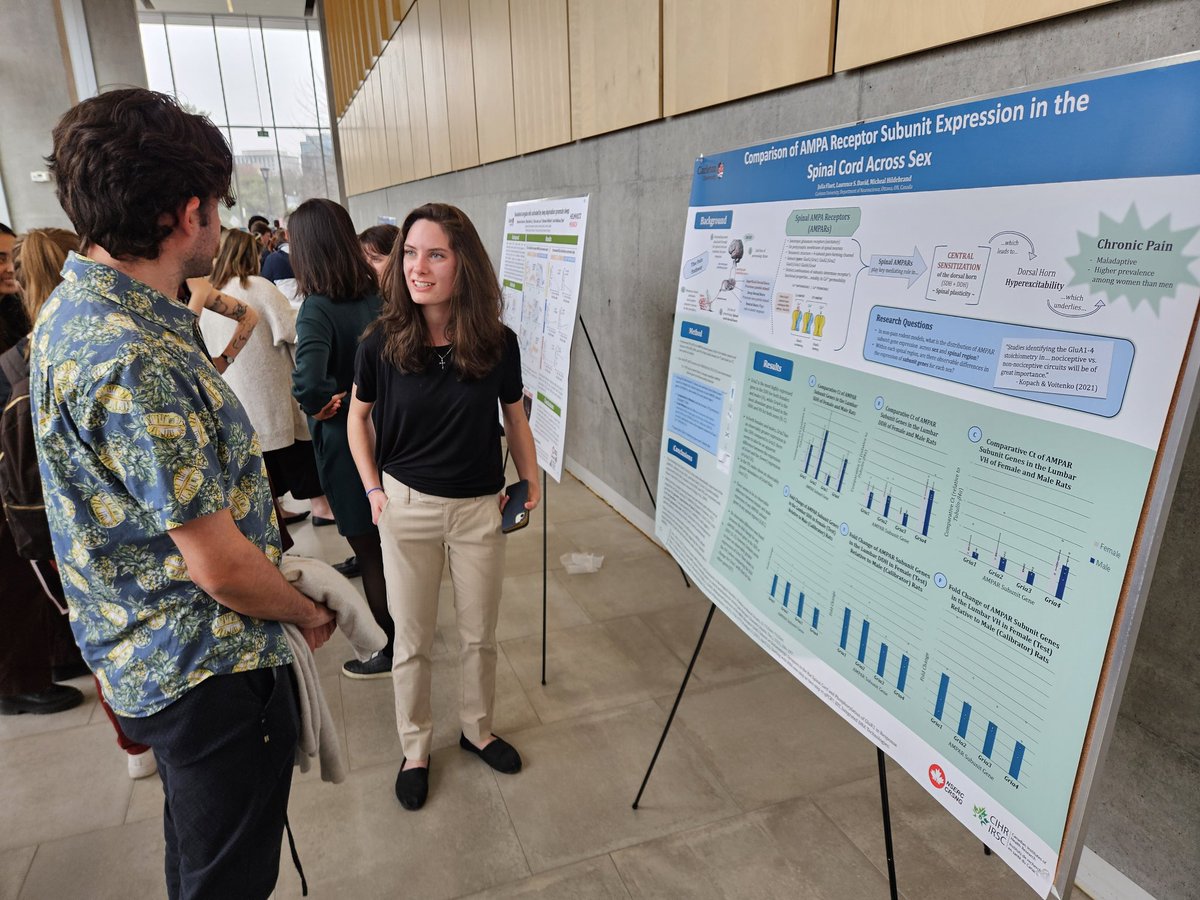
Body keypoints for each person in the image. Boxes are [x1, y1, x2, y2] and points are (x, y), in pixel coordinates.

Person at [36, 88, 335, 899]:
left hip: (150, 654)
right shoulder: (136, 356)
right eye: (217, 203)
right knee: (227, 878)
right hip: (202, 670)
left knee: (199, 857)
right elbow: (222, 568)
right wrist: (307, 613)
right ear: (188, 211)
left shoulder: (78, 311)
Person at [347, 202, 539, 811]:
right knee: (413, 639)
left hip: (481, 507)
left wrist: (529, 479)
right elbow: (358, 419)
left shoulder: (495, 341)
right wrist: (375, 490)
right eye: (409, 253)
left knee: (480, 635)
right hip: (407, 508)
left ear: (465, 264)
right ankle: (415, 747)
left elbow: (514, 415)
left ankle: (477, 729)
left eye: (435, 254)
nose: (417, 267)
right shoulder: (380, 341)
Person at [289, 198, 392, 677]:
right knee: (393, 544)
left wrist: (324, 400)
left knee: (369, 549)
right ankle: (409, 631)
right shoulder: (377, 293)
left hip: (348, 442)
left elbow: (308, 381)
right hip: (392, 431)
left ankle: (389, 647)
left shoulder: (316, 309)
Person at [0, 226, 86, 717]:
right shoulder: (37, 348)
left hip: (35, 490)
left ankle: (54, 658)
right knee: (18, 588)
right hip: (27, 492)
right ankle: (20, 680)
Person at [198, 229, 330, 534]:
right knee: (297, 450)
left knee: (261, 460)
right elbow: (290, 330)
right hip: (271, 387)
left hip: (235, 394)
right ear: (252, 255)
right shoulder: (258, 286)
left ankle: (277, 511)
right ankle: (321, 506)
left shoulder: (210, 295)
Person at [262, 223, 302, 308]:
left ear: (287, 234)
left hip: (286, 314)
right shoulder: (320, 258)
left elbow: (265, 292)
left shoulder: (272, 260)